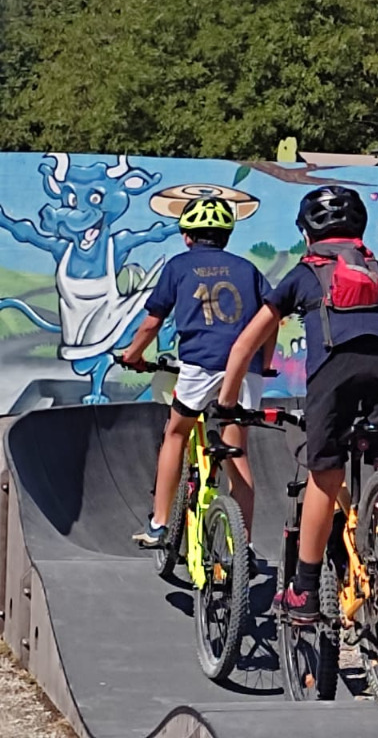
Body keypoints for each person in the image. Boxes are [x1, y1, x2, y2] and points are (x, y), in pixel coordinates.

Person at [211, 184, 378, 622]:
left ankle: (304, 591)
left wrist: (227, 403)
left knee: (325, 477)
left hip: (335, 371)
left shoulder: (304, 274)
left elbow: (245, 343)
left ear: (307, 234)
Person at [122, 195, 275, 560]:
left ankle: (159, 523)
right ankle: (244, 544)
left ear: (187, 235)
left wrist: (133, 356)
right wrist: (265, 364)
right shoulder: (248, 269)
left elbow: (152, 322)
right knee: (238, 450)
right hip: (245, 370)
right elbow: (271, 320)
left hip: (200, 366)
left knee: (176, 433)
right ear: (227, 235)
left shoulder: (178, 266)